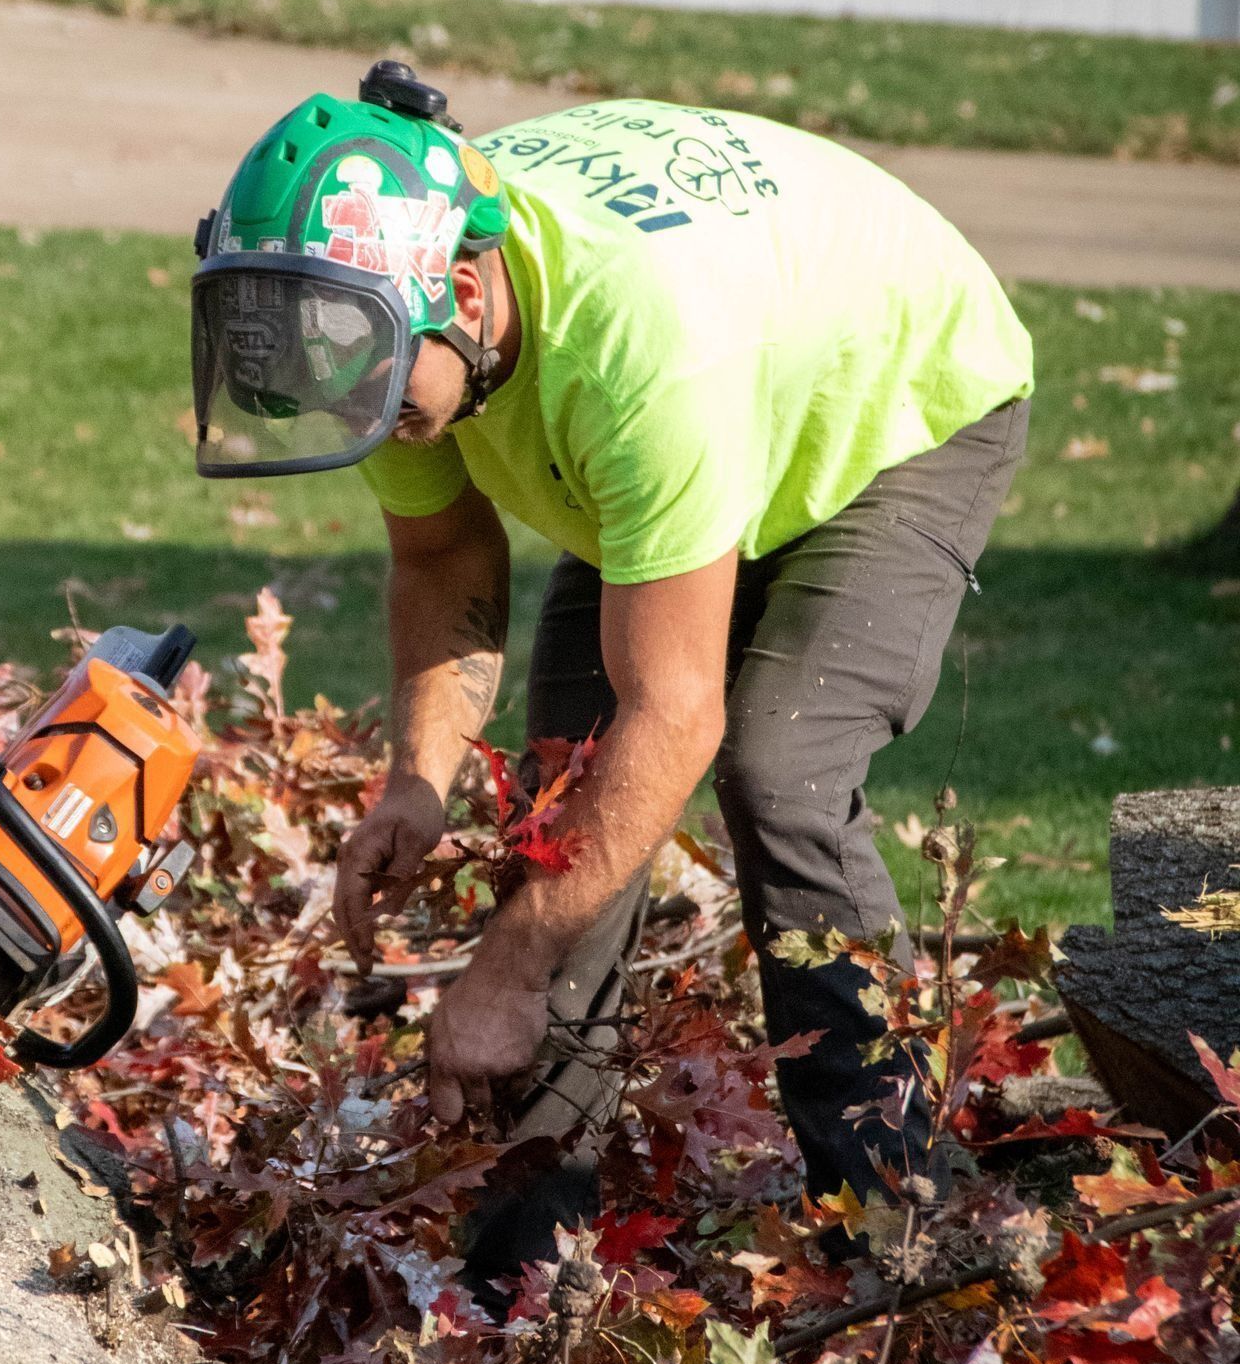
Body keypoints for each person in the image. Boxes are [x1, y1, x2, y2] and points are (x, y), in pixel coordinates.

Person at [189, 61, 1033, 1277]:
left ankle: (904, 1231)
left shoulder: (639, 354)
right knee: (567, 799)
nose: (349, 401)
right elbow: (440, 560)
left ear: (467, 293)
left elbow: (676, 716)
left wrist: (506, 964)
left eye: (367, 370)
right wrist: (416, 780)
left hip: (896, 397)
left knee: (776, 767)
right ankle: (530, 1264)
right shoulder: (386, 328)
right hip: (693, 413)